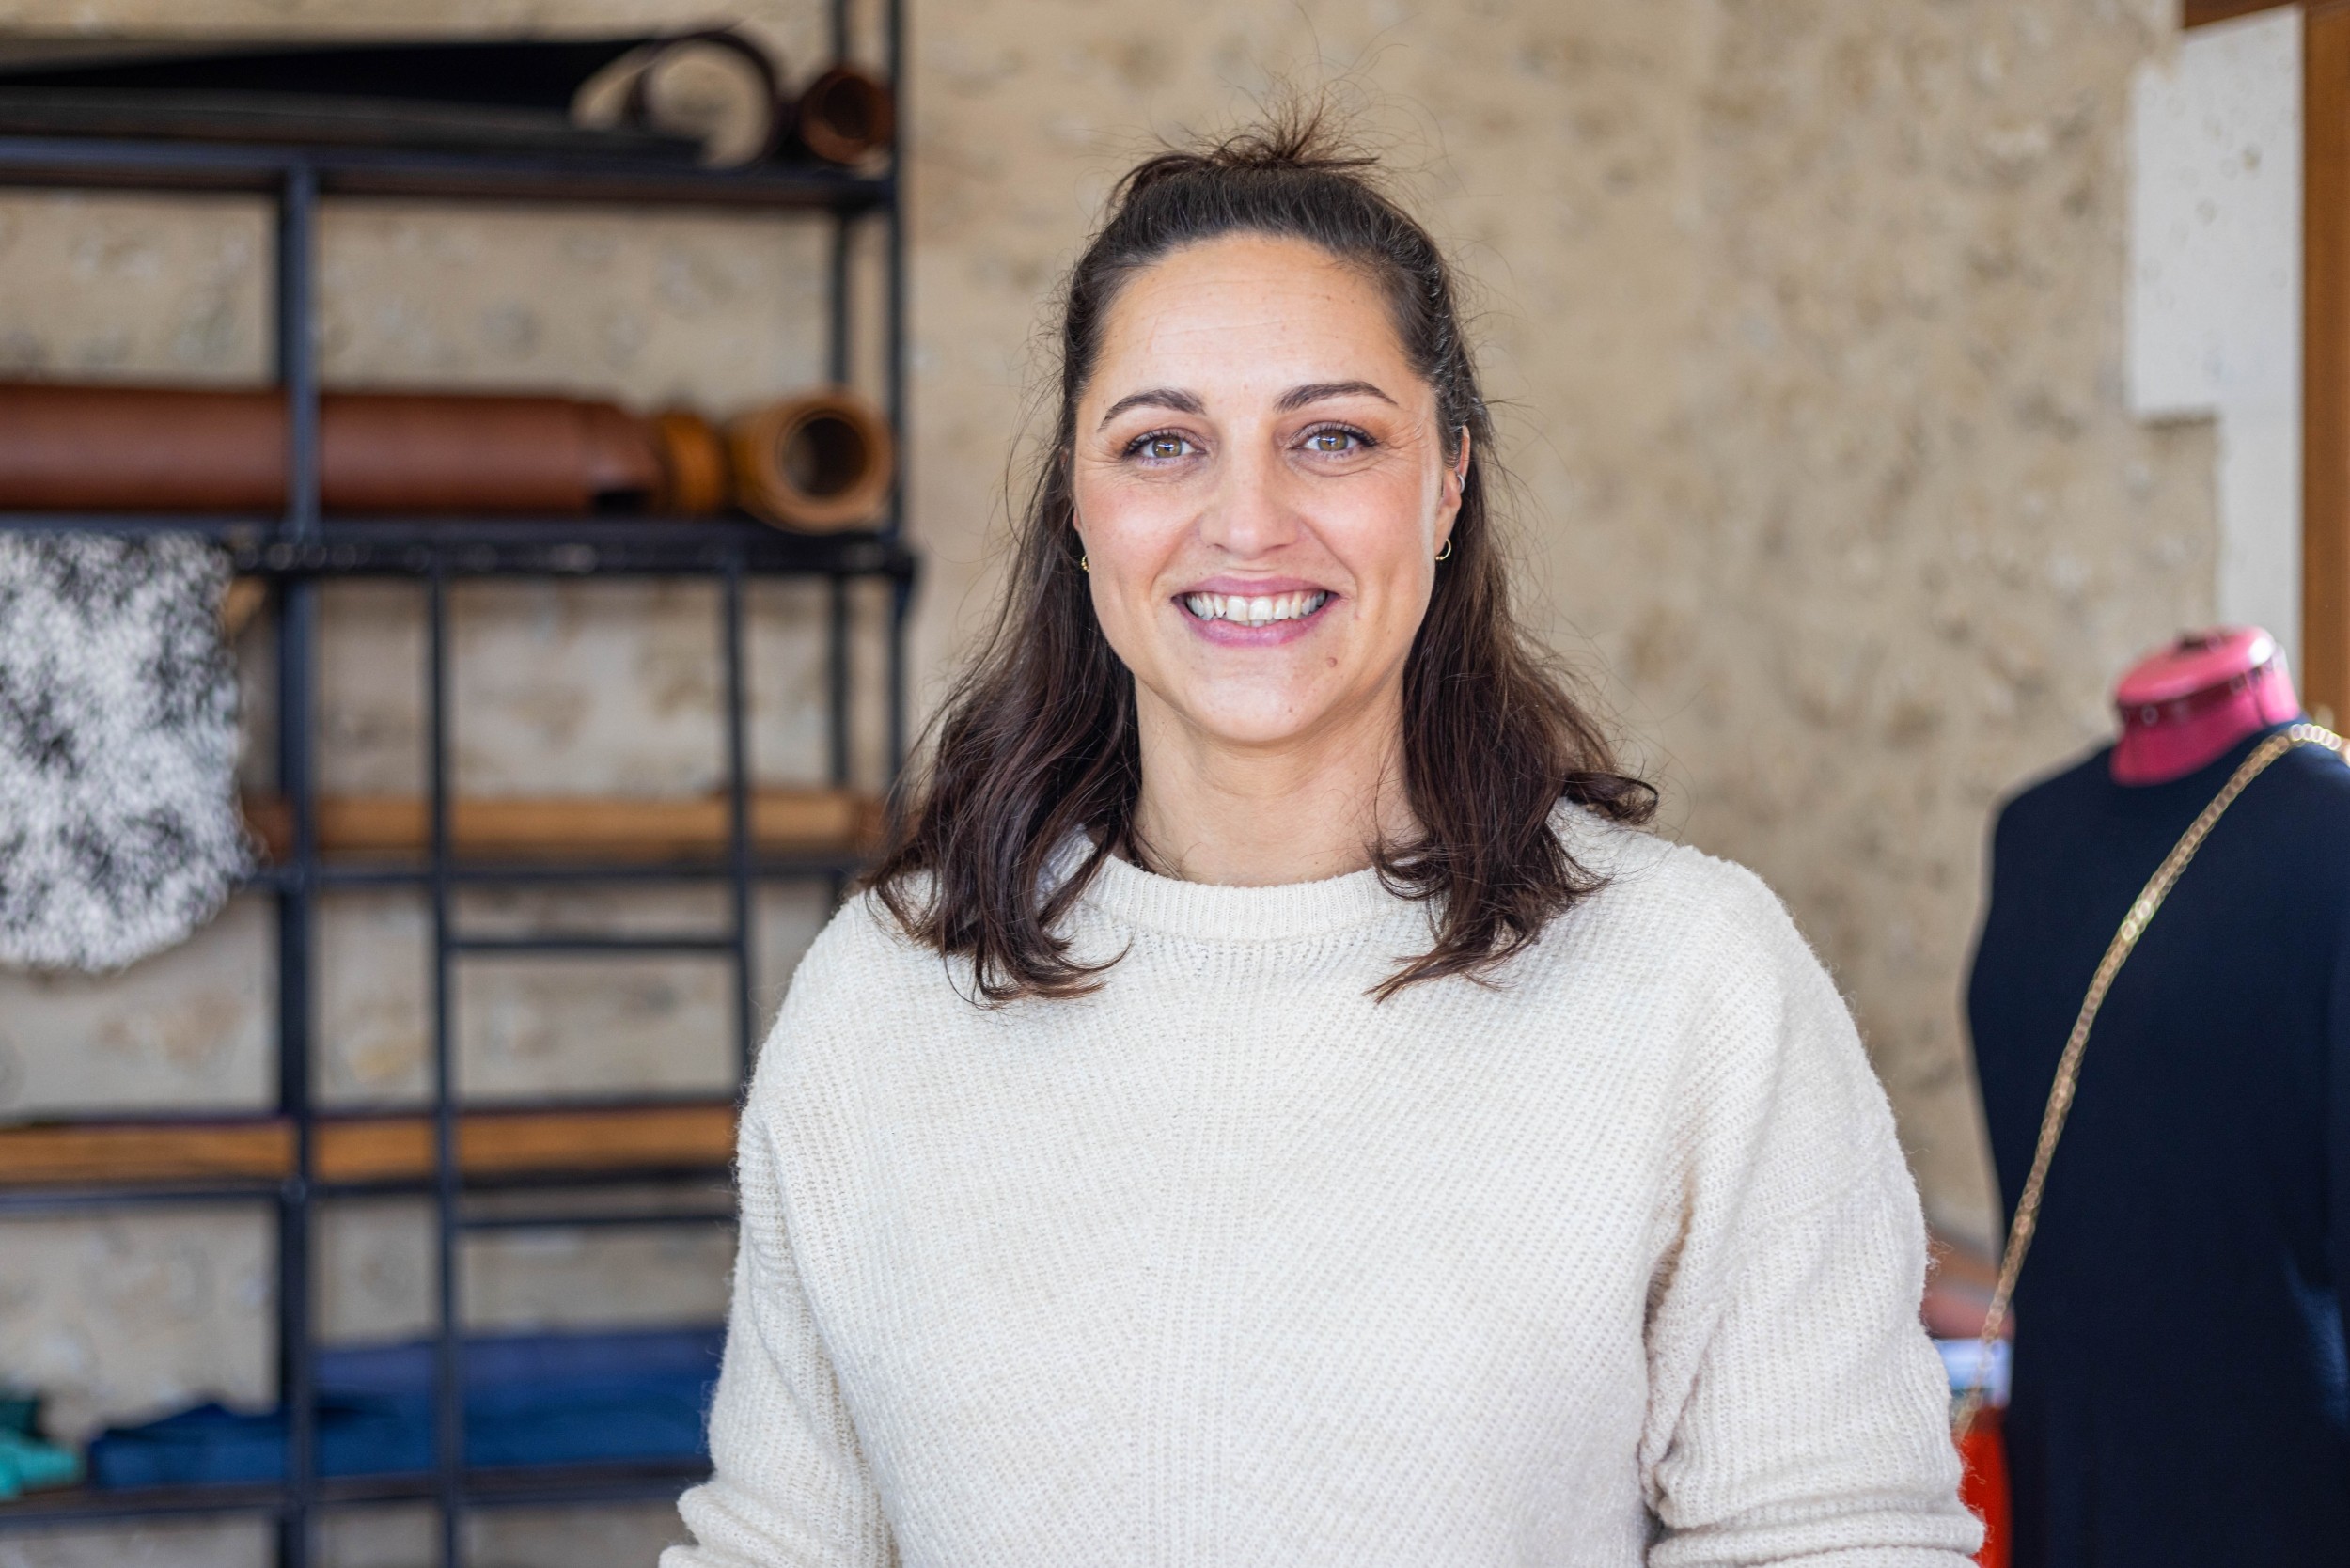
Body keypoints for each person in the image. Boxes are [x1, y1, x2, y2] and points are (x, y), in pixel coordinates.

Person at [664, 113, 1980, 1567]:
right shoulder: (885, 997)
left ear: (1447, 486)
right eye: (1163, 443)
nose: (1247, 521)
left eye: (1333, 437)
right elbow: (778, 1547)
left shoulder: (1692, 985)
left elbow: (1833, 1538)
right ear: (1079, 510)